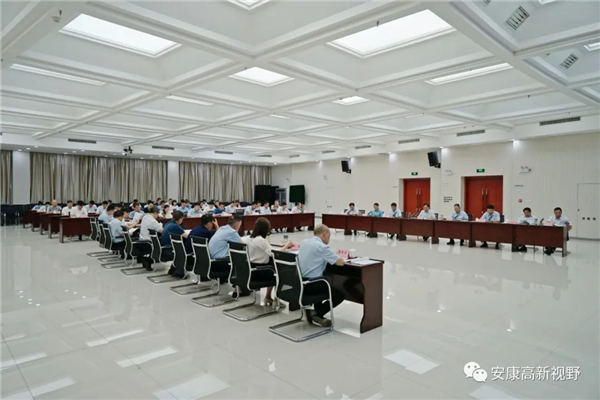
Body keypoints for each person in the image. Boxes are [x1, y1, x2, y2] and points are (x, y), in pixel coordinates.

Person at [297, 224, 345, 328]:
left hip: (299, 283)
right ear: (325, 234)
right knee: (339, 295)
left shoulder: (304, 242)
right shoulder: (322, 247)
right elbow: (340, 262)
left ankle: (317, 315)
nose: (329, 239)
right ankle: (316, 313)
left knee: (321, 279)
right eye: (329, 236)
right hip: (312, 284)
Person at [242, 218, 292, 305]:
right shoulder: (261, 241)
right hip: (261, 272)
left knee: (272, 264)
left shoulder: (246, 239)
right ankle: (276, 299)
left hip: (249, 271)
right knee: (280, 271)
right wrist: (287, 245)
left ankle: (268, 297)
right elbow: (276, 254)